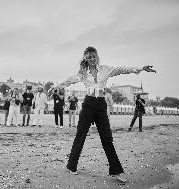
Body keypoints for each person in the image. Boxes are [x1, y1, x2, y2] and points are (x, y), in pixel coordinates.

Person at [49, 46, 156, 182]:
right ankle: (72, 165)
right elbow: (68, 80)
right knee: (80, 136)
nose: (92, 59)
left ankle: (117, 170)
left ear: (97, 57)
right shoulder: (82, 73)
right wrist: (55, 86)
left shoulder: (105, 69)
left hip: (100, 106)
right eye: (89, 57)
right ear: (86, 59)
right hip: (87, 105)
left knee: (107, 138)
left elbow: (122, 69)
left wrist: (140, 68)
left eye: (93, 56)